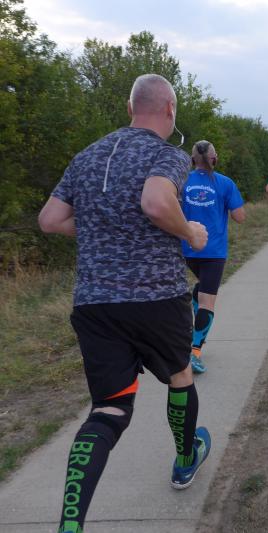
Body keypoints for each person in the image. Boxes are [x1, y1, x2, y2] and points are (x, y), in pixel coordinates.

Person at [37, 73, 214, 533]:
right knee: (179, 377)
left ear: (130, 107)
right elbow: (156, 202)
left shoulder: (87, 156)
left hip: (95, 304)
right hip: (156, 296)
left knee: (109, 409)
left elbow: (50, 220)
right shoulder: (166, 154)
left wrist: (102, 226)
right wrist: (190, 233)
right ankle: (185, 458)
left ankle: (70, 524)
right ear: (170, 109)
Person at [181, 140, 245, 374]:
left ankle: (197, 302)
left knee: (202, 290)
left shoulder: (181, 181)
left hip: (187, 249)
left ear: (192, 159)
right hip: (214, 251)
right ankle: (195, 352)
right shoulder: (225, 183)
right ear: (214, 159)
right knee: (208, 302)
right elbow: (240, 217)